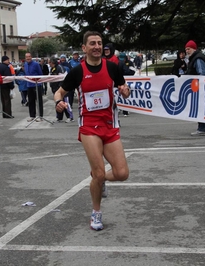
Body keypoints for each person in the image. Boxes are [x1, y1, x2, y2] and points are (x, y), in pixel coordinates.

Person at [54, 31, 130, 231]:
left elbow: (125, 88)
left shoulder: (113, 67)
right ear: (84, 48)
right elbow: (59, 92)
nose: (97, 46)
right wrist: (59, 102)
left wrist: (125, 91)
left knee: (122, 173)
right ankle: (96, 213)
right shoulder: (77, 71)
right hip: (89, 127)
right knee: (97, 173)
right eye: (92, 43)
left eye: (99, 43)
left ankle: (101, 179)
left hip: (110, 125)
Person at [185, 40, 205, 136]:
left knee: (200, 107)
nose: (187, 51)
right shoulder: (195, 57)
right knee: (201, 107)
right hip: (198, 87)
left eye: (189, 49)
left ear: (194, 48)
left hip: (199, 87)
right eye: (186, 49)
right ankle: (204, 127)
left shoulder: (198, 59)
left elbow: (202, 74)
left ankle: (203, 128)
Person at [49, 58, 72, 122]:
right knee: (58, 103)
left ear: (52, 62)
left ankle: (70, 117)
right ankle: (59, 117)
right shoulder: (52, 69)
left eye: (49, 62)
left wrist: (60, 87)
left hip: (62, 89)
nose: (49, 64)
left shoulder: (60, 67)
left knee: (65, 102)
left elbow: (63, 78)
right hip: (55, 89)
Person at [24, 52, 44, 122]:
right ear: (25, 58)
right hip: (29, 85)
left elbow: (40, 74)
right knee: (31, 101)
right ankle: (32, 116)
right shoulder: (25, 64)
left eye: (29, 56)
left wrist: (39, 82)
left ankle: (40, 116)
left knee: (39, 101)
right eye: (27, 57)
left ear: (31, 57)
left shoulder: (36, 64)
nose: (28, 58)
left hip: (37, 85)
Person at [118, 52, 135, 117]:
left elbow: (133, 71)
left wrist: (127, 74)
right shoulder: (118, 63)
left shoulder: (130, 63)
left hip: (128, 80)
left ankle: (126, 109)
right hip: (121, 81)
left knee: (126, 94)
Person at [59, 54, 74, 122]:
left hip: (67, 87)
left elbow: (71, 75)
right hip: (60, 87)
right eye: (61, 58)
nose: (62, 59)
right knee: (60, 102)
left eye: (63, 58)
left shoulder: (68, 66)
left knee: (67, 102)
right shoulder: (58, 66)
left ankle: (70, 117)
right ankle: (59, 117)